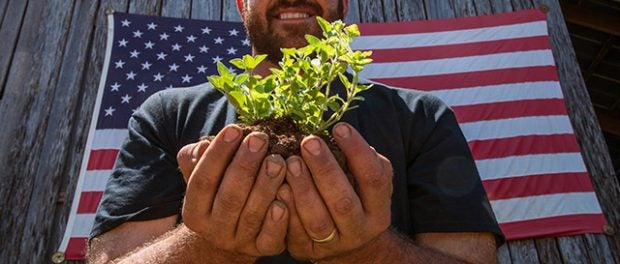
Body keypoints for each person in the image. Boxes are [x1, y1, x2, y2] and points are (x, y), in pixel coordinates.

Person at [88, 0, 504, 263]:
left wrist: (369, 251)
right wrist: (206, 245)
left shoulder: (421, 115)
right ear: (241, 4)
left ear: (344, 4)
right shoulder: (168, 113)